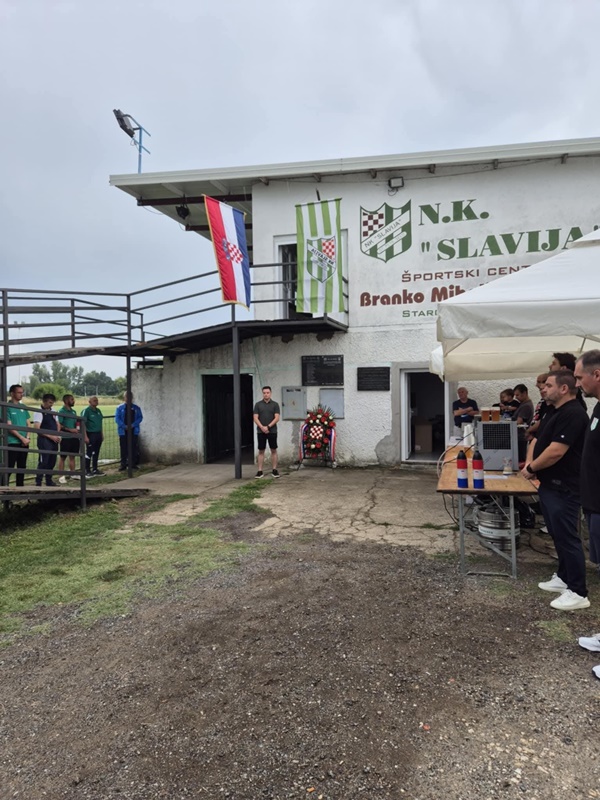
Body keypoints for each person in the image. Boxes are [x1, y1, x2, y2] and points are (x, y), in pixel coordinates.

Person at [521, 370, 590, 611]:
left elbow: (556, 451)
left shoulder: (574, 413)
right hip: (550, 485)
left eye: (549, 385)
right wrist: (531, 464)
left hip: (565, 487)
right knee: (557, 534)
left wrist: (532, 467)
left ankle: (578, 591)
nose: (543, 388)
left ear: (564, 389)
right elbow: (538, 440)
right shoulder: (554, 411)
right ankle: (563, 577)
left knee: (568, 537)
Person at [574, 350, 600, 576]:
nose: (577, 384)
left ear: (597, 375)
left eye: (580, 378)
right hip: (592, 503)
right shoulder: (598, 408)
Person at [5, 384, 32, 486]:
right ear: (12, 393)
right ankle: (3, 488)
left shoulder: (23, 407)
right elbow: (9, 426)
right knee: (9, 466)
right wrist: (21, 438)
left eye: (22, 392)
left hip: (24, 442)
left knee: (22, 467)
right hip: (12, 442)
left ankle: (20, 488)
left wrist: (27, 437)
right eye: (19, 392)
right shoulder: (6, 407)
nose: (22, 394)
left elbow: (28, 423)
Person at [33, 393, 60, 487]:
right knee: (43, 461)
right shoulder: (39, 412)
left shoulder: (53, 411)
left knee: (52, 461)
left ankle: (49, 480)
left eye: (52, 403)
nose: (51, 405)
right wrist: (50, 436)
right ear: (44, 401)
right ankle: (38, 482)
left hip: (54, 440)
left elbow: (57, 423)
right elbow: (37, 428)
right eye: (49, 402)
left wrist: (58, 435)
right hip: (44, 440)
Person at [253, 385, 280, 478]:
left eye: (267, 393)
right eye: (264, 393)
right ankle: (260, 471)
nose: (266, 394)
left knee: (273, 450)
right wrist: (262, 427)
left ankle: (274, 470)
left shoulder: (275, 404)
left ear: (270, 393)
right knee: (261, 450)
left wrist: (268, 427)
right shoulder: (258, 405)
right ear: (262, 393)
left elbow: (277, 418)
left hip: (272, 431)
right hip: (261, 432)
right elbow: (255, 418)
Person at [115, 392, 143, 471]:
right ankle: (123, 464)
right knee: (123, 448)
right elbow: (117, 418)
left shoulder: (136, 408)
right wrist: (124, 426)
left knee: (133, 447)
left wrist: (133, 425)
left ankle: (132, 464)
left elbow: (140, 418)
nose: (128, 398)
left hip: (133, 431)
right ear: (124, 398)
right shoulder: (119, 408)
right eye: (127, 397)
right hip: (123, 431)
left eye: (130, 397)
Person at [57, 394, 80, 482]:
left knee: (72, 456)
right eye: (72, 399)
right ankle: (61, 476)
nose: (74, 401)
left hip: (74, 437)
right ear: (66, 401)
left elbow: (76, 423)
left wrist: (77, 428)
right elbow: (60, 425)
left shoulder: (73, 412)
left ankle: (72, 473)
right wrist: (70, 430)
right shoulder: (61, 411)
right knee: (62, 457)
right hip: (65, 437)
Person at [81, 396, 104, 477]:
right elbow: (83, 423)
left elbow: (100, 423)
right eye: (94, 400)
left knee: (96, 452)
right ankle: (87, 470)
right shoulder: (86, 411)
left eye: (97, 400)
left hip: (98, 434)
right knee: (89, 452)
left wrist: (101, 434)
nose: (96, 401)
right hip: (90, 434)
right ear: (89, 402)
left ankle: (95, 469)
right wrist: (85, 436)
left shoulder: (98, 411)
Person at [512, 384, 534, 462]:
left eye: (517, 395)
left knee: (520, 459)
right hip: (520, 436)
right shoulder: (524, 404)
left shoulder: (526, 406)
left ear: (524, 393)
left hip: (520, 436)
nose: (516, 398)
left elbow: (519, 421)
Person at [526, 374, 551, 439]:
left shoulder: (549, 402)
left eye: (540, 382)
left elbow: (543, 419)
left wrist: (529, 430)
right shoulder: (543, 400)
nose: (537, 385)